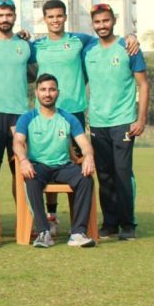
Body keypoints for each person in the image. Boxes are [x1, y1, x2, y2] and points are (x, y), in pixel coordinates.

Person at [30, 0, 138, 234]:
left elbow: (108, 39)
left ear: (65, 17)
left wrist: (130, 36)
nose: (55, 20)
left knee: (84, 169)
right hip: (47, 114)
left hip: (75, 113)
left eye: (59, 16)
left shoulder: (82, 41)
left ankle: (88, 224)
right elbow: (21, 62)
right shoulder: (35, 46)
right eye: (51, 16)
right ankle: (51, 216)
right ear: (44, 19)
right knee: (48, 160)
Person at [84, 4, 149, 241]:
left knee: (122, 173)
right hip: (98, 122)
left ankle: (128, 224)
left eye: (106, 21)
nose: (102, 26)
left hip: (123, 121)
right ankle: (109, 223)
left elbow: (143, 83)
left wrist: (140, 118)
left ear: (114, 21)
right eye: (98, 22)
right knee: (104, 174)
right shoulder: (88, 50)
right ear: (93, 24)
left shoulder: (128, 47)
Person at [13, 74, 97, 248]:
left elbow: (85, 144)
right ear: (36, 93)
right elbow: (18, 142)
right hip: (39, 166)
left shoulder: (68, 118)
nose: (47, 94)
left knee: (85, 179)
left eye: (51, 89)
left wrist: (88, 156)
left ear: (57, 93)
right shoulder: (27, 118)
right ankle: (44, 232)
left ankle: (77, 234)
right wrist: (23, 160)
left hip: (63, 166)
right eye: (43, 90)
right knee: (31, 179)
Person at [0, 0, 35, 195]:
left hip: (18, 115)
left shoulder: (26, 45)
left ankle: (23, 221)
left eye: (8, 15)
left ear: (15, 17)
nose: (5, 19)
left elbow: (34, 74)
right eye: (0, 15)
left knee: (20, 170)